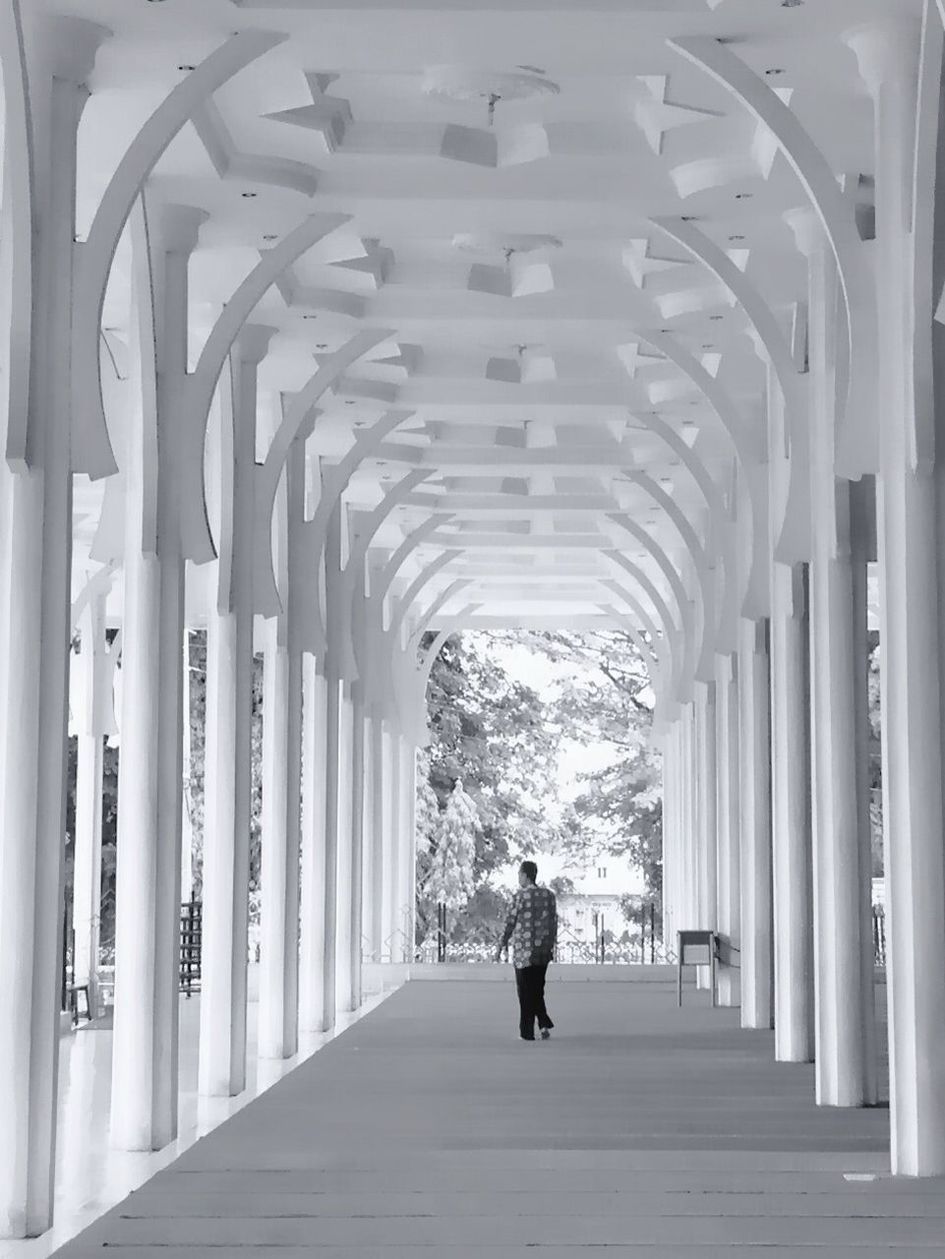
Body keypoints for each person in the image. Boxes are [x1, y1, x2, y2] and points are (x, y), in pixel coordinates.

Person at [495, 860, 557, 1041]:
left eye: (519, 875)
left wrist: (502, 945)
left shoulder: (519, 897)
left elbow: (510, 922)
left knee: (525, 991)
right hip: (542, 951)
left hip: (524, 951)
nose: (518, 878)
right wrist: (550, 944)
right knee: (537, 988)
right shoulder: (549, 896)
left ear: (525, 875)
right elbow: (554, 922)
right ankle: (544, 1023)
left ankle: (527, 1031)